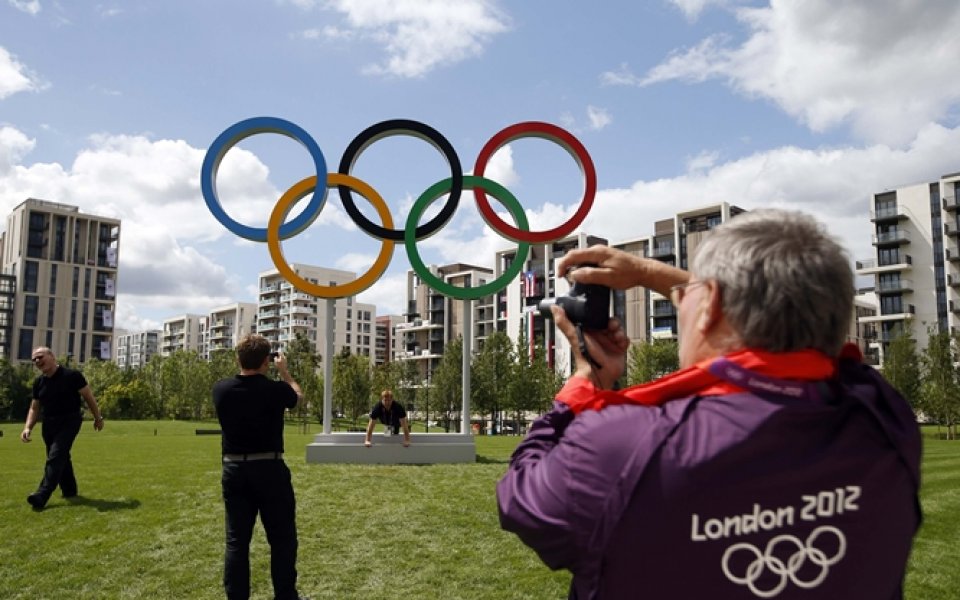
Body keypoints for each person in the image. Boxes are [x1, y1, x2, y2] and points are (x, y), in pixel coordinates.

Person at [496, 209, 921, 599]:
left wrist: (584, 381)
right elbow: (789, 322)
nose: (681, 298)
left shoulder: (624, 447)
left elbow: (520, 497)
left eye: (691, 292)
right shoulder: (883, 418)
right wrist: (646, 271)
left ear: (711, 305)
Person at [212, 335, 309, 600]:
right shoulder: (275, 390)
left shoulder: (221, 389)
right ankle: (286, 595)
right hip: (269, 469)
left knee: (237, 542)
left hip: (234, 471)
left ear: (238, 359)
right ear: (267, 361)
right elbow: (298, 397)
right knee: (282, 540)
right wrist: (285, 372)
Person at [20, 346, 104, 510]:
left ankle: (42, 494)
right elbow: (34, 407)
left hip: (70, 420)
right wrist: (27, 428)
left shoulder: (72, 376)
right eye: (34, 359)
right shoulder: (39, 383)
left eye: (40, 357)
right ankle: (70, 490)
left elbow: (88, 397)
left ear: (52, 356)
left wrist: (97, 417)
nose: (37, 361)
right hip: (49, 423)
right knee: (60, 457)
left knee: (56, 455)